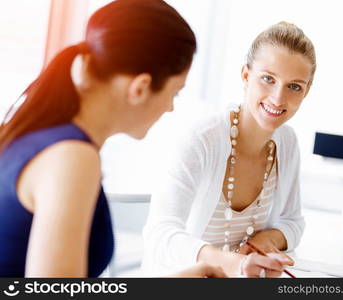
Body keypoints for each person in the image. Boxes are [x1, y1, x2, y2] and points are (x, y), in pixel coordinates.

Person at [0, 0, 225, 278]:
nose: (170, 107)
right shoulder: (72, 157)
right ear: (140, 87)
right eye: (174, 92)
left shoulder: (38, 135)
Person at [142, 21, 316, 277]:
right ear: (246, 75)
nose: (278, 98)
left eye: (294, 86)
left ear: (306, 91)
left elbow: (293, 221)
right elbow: (160, 232)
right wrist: (231, 263)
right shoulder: (203, 139)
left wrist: (270, 238)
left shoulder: (287, 143)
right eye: (268, 79)